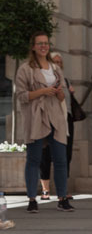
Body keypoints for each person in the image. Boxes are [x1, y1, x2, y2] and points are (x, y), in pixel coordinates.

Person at [15, 32, 73, 213]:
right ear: (33, 46)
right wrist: (43, 91)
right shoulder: (25, 69)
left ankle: (62, 198)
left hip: (56, 116)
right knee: (34, 159)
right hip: (36, 118)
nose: (43, 46)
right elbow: (22, 96)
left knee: (61, 159)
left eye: (46, 43)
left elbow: (62, 95)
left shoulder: (55, 68)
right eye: (40, 43)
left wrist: (58, 92)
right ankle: (32, 199)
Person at [39, 52, 74, 200]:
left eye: (60, 62)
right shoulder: (42, 79)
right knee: (45, 154)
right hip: (49, 119)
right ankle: (45, 189)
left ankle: (63, 190)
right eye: (55, 62)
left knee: (66, 154)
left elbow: (66, 102)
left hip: (65, 119)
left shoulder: (65, 80)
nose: (58, 64)